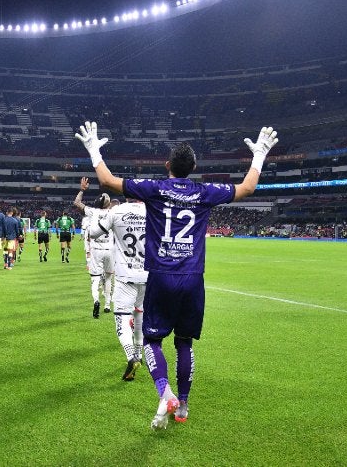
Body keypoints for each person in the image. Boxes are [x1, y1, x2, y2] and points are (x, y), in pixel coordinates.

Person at [75, 121, 279, 429]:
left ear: (167, 165)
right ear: (194, 166)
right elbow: (248, 188)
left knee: (151, 342)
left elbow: (105, 181)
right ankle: (182, 405)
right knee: (185, 343)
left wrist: (93, 149)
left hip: (160, 276)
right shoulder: (205, 192)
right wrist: (260, 154)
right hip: (193, 278)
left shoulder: (154, 189)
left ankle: (164, 392)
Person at [88, 198, 148, 382]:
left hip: (125, 277)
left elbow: (93, 233)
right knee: (139, 315)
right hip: (148, 275)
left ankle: (131, 356)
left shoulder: (117, 211)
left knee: (122, 318)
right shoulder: (152, 210)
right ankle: (139, 353)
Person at [74, 177, 114, 318]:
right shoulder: (113, 213)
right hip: (110, 249)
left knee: (95, 279)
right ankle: (108, 305)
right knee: (108, 278)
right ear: (109, 204)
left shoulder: (93, 212)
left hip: (96, 249)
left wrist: (82, 189)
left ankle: (96, 300)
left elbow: (77, 203)